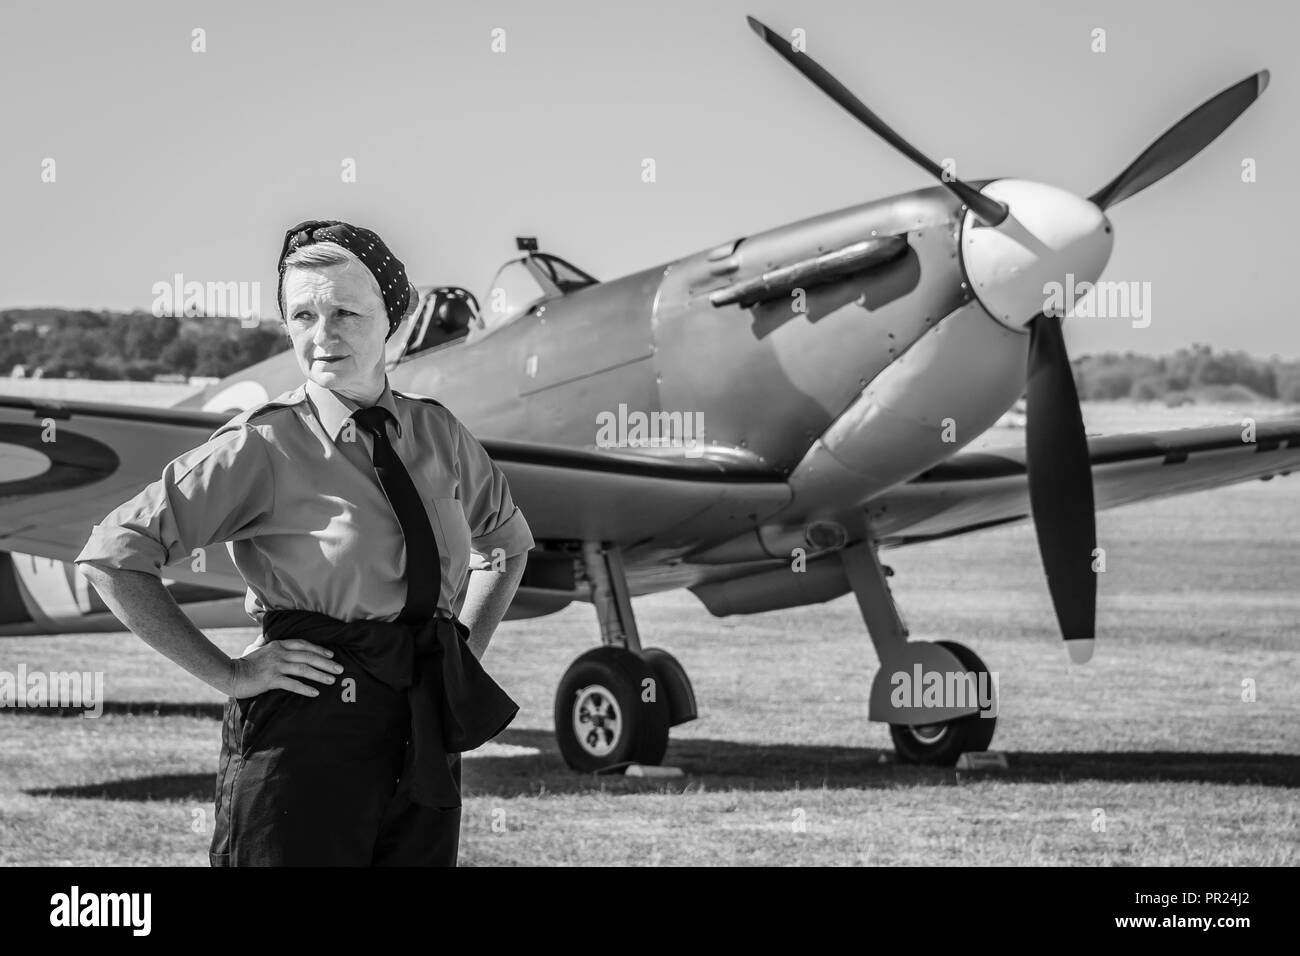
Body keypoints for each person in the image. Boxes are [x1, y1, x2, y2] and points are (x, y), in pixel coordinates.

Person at [74, 219, 534, 866]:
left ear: (391, 319)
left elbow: (507, 548)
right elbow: (114, 555)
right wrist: (231, 674)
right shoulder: (262, 444)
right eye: (303, 315)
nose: (324, 335)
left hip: (424, 727)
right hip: (304, 730)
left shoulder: (439, 434)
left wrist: (461, 654)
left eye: (346, 311)